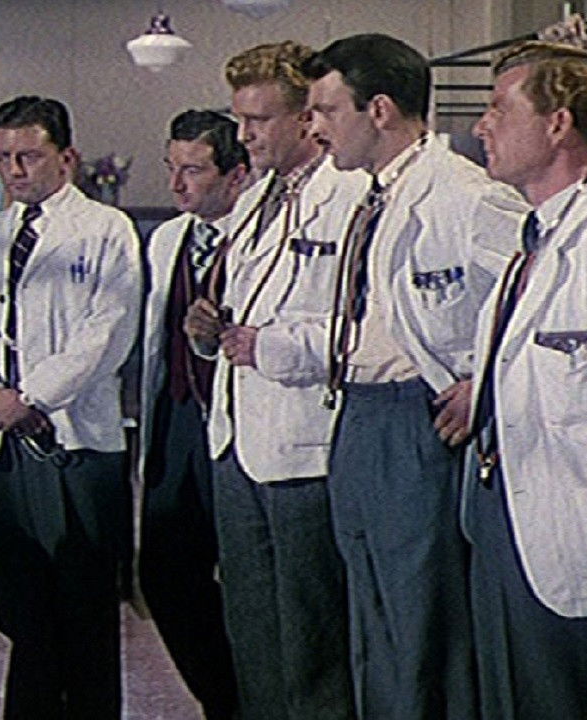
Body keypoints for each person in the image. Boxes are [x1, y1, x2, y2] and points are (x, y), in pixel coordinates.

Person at [301, 34, 526, 718]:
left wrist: (482, 380)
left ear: (378, 110)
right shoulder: (368, 194)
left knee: (422, 624)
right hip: (359, 415)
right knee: (372, 623)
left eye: (326, 110)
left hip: (416, 422)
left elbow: (536, 290)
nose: (314, 127)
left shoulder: (465, 195)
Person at [0, 96, 141, 719]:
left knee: (84, 608)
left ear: (66, 157)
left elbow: (107, 332)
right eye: (4, 158)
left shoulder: (106, 230)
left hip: (74, 441)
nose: (15, 170)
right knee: (20, 609)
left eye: (29, 156)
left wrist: (31, 397)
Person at [465, 40, 587, 720]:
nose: (481, 127)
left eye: (498, 109)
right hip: (505, 521)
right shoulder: (533, 237)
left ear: (558, 124)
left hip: (578, 539)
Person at [183, 41, 364, 719]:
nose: (244, 135)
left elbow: (368, 330)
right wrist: (207, 330)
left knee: (312, 641)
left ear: (305, 118)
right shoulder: (255, 197)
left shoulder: (349, 196)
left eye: (258, 120)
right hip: (236, 445)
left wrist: (271, 347)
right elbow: (242, 309)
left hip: (302, 451)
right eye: (240, 119)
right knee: (253, 636)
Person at [137, 109, 247, 720]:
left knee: (245, 581)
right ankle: (223, 700)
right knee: (163, 575)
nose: (177, 185)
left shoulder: (260, 235)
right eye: (171, 168)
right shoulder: (167, 239)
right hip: (177, 423)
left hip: (240, 429)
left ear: (235, 175)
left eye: (194, 170)